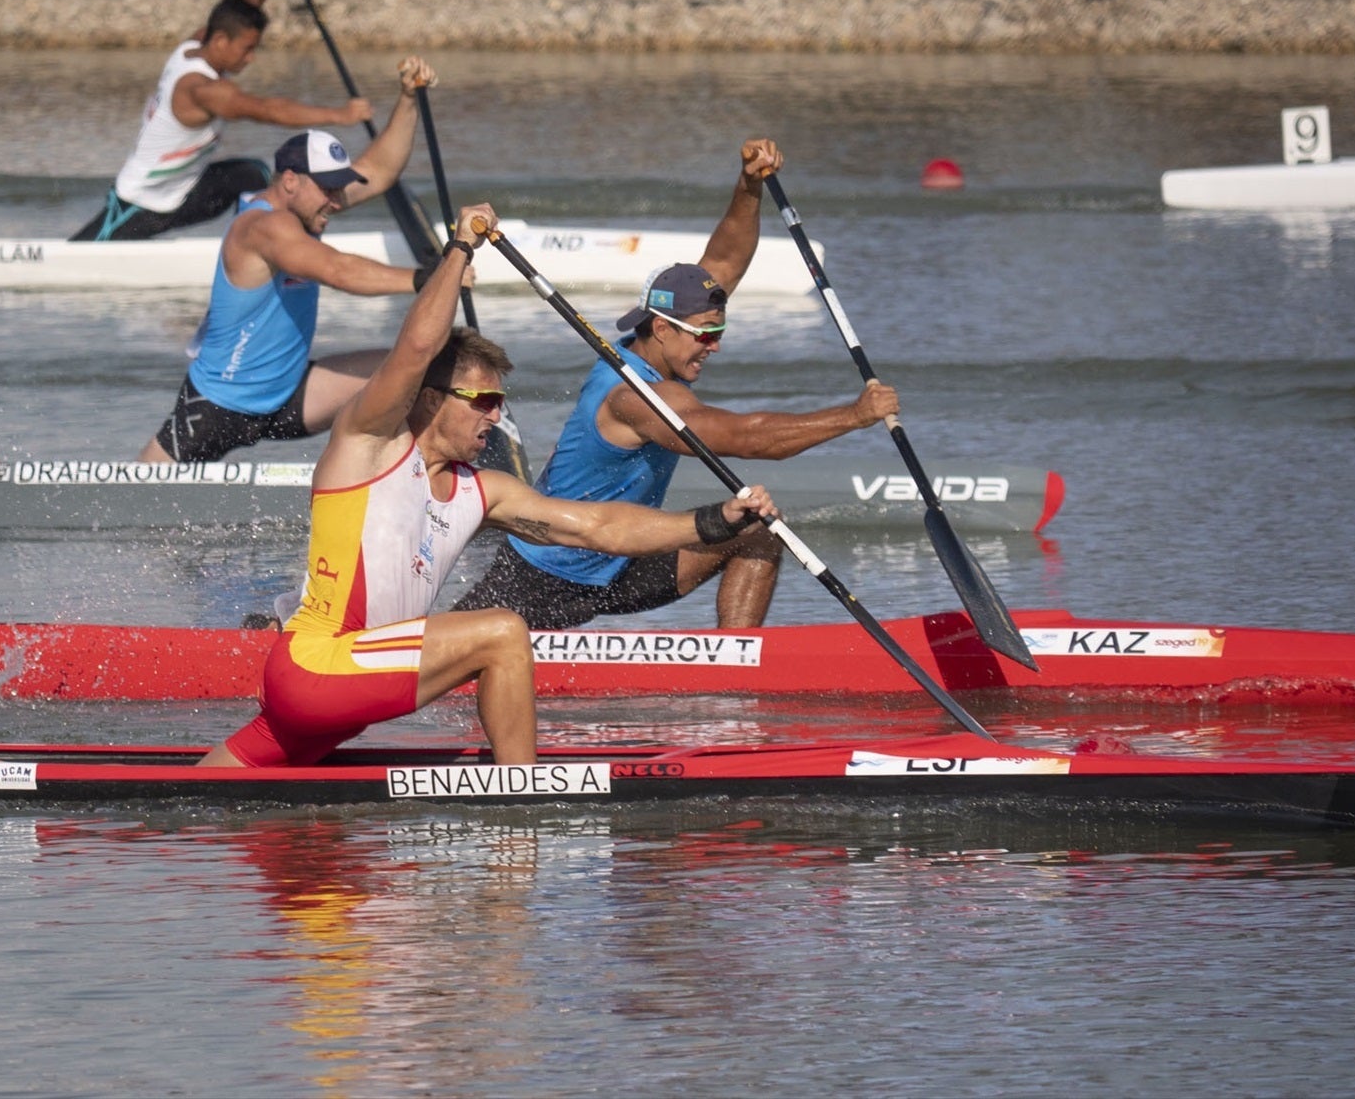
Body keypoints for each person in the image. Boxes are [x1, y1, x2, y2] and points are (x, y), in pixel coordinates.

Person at [197, 205, 778, 769]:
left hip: (344, 695)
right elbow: (417, 349)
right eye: (484, 401)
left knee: (202, 797)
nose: (496, 418)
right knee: (503, 632)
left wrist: (714, 521)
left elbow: (601, 526)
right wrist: (460, 249)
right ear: (431, 400)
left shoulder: (484, 490)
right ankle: (524, 803)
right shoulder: (368, 448)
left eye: (502, 402)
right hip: (318, 667)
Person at [452, 138, 899, 631]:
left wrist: (749, 184)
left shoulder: (663, 338)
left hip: (625, 561)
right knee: (446, 660)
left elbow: (725, 261)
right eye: (705, 336)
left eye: (719, 332)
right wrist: (854, 416)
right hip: (545, 574)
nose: (715, 346)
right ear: (661, 328)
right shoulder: (633, 396)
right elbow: (750, 439)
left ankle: (737, 667)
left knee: (759, 532)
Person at [137, 56, 453, 464]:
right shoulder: (261, 229)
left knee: (417, 367)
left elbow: (379, 168)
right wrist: (429, 279)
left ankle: (393, 479)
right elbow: (338, 270)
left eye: (339, 189)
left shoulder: (310, 206)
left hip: (290, 395)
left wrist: (409, 98)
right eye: (328, 190)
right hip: (218, 406)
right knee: (134, 502)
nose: (336, 201)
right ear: (290, 181)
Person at [71, 0, 375, 242]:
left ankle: (256, 244)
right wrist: (341, 115)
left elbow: (249, 2)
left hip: (187, 192)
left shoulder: (195, 45)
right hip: (141, 204)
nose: (251, 58)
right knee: (78, 255)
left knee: (254, 174)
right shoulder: (202, 91)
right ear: (220, 42)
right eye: (247, 50)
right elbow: (268, 110)